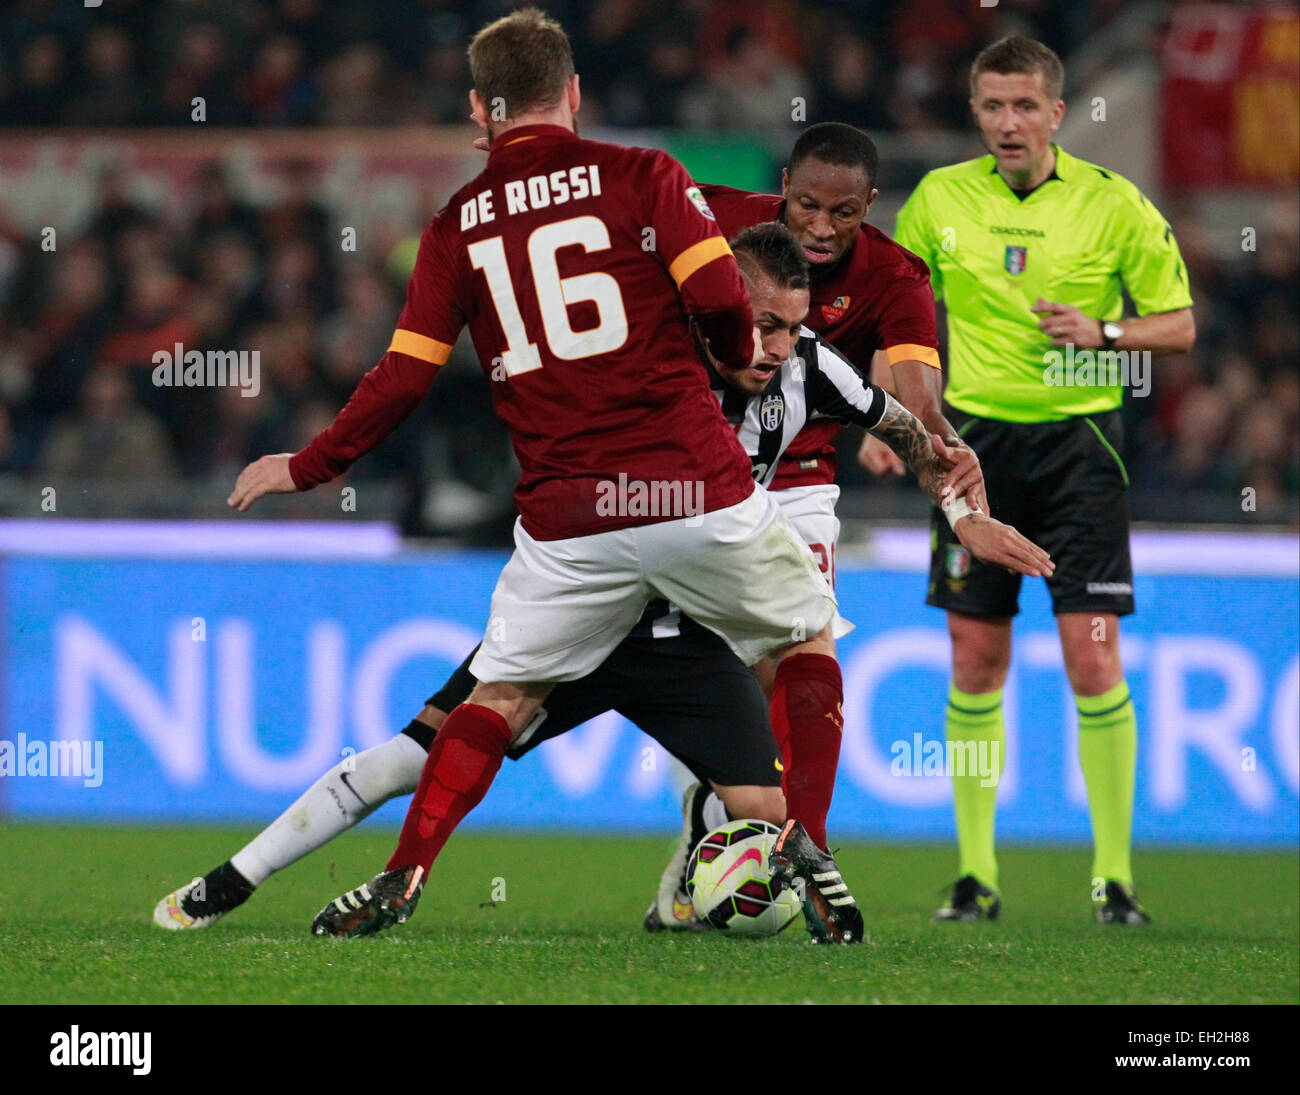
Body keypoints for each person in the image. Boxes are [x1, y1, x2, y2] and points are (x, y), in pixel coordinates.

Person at [157, 223, 1049, 942]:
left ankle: (775, 854)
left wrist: (966, 516)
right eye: (758, 324)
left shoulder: (815, 366)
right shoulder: (645, 354)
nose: (771, 347)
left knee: (763, 800)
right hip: (591, 598)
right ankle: (243, 875)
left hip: (684, 633)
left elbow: (920, 441)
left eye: (788, 327)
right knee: (415, 753)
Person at [227, 8, 873, 943]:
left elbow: (404, 375)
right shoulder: (644, 173)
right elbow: (723, 298)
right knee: (805, 629)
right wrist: (735, 359)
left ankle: (405, 874)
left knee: (494, 701)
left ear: (480, 111)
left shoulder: (454, 226)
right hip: (691, 485)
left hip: (568, 516)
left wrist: (311, 462)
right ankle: (807, 845)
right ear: (573, 94)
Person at [893, 36, 1195, 924]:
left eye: (1026, 106)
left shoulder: (1114, 205)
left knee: (1091, 656)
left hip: (1079, 450)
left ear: (1058, 113)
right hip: (972, 449)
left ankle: (1113, 879)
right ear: (976, 111)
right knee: (975, 658)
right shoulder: (941, 199)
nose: (1009, 123)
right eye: (993, 106)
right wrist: (896, 423)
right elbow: (897, 314)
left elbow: (1177, 326)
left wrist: (1103, 335)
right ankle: (976, 875)